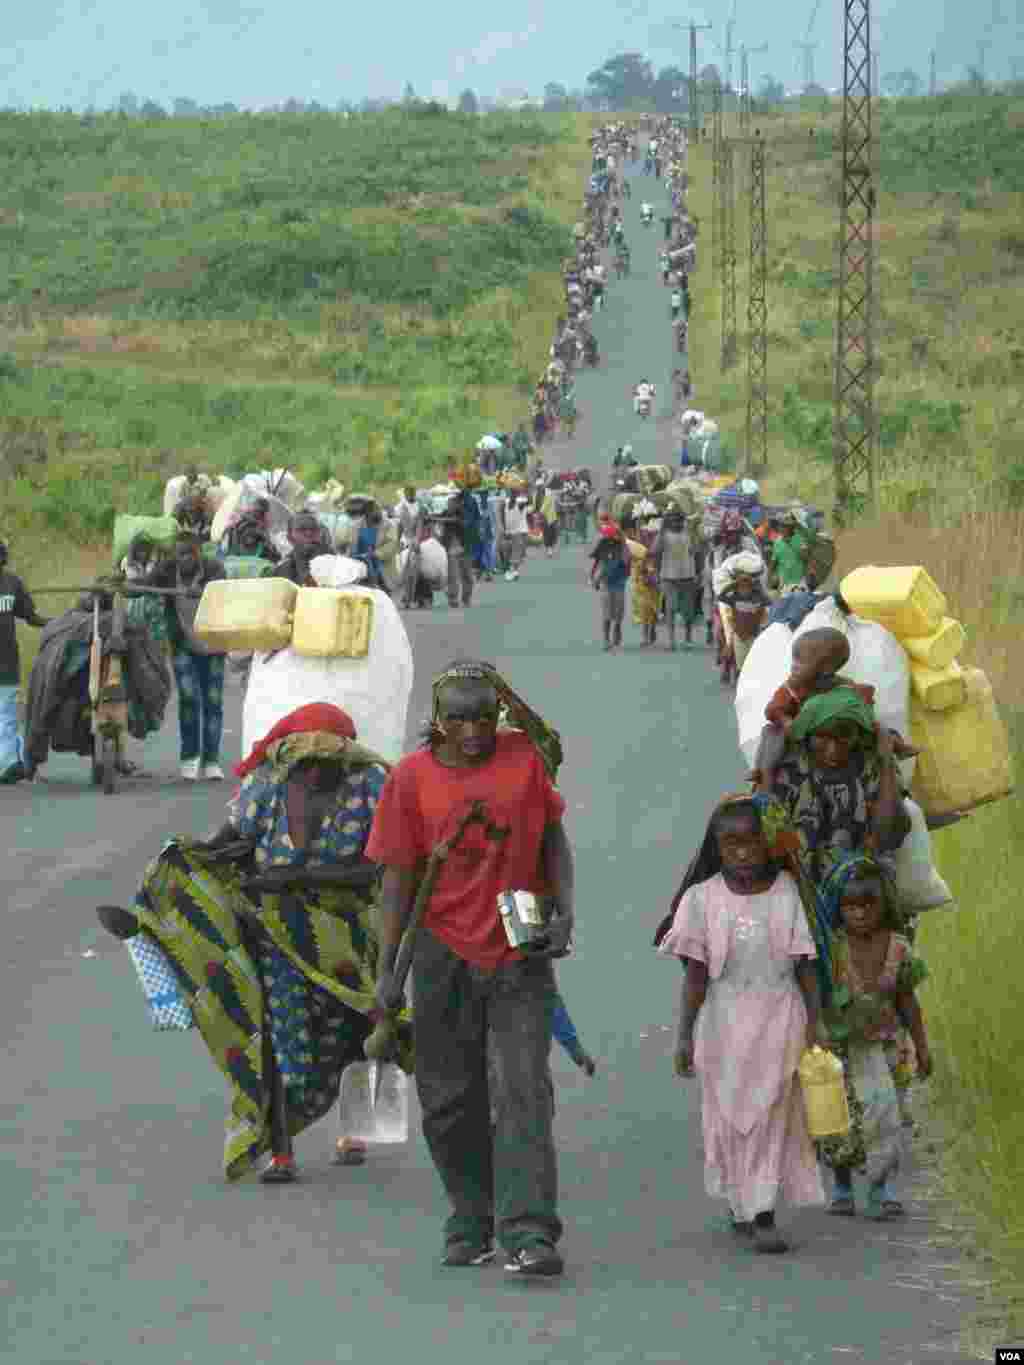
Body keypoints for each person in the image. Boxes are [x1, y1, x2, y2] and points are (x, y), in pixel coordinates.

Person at [95, 703, 403, 1182]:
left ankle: (354, 1126)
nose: (315, 770)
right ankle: (280, 1150)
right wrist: (189, 860)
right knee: (278, 1038)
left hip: (347, 928)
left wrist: (299, 875)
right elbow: (234, 839)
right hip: (276, 930)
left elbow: (380, 866)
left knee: (352, 1031)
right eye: (305, 762)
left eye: (327, 762)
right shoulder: (268, 782)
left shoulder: (371, 787)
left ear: (347, 757)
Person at [367, 660, 574, 1276]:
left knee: (522, 1091)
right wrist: (387, 972)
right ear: (438, 721)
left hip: (519, 948)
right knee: (450, 1097)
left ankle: (530, 1230)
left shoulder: (524, 764)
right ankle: (470, 1215)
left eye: (484, 715)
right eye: (459, 717)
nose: (474, 729)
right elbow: (398, 876)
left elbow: (552, 843)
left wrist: (565, 913)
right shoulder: (410, 779)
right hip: (441, 951)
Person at [656, 794, 828, 1253]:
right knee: (731, 1117)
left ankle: (764, 1210)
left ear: (767, 844)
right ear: (716, 848)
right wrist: (684, 1035)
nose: (742, 854)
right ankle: (741, 1199)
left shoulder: (786, 893)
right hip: (724, 1024)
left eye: (751, 843)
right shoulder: (701, 899)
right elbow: (695, 974)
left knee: (771, 1112)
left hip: (780, 1017)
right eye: (730, 845)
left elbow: (805, 961)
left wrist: (816, 1021)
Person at [817, 856, 932, 1219]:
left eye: (869, 904)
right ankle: (842, 1187)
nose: (860, 913)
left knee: (886, 1115)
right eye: (851, 906)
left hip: (887, 1049)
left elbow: (907, 1001)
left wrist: (922, 1046)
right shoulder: (831, 950)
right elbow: (816, 996)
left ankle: (882, 1188)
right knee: (841, 1118)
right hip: (843, 1048)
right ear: (839, 906)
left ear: (885, 904)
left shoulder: (898, 948)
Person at [763, 688, 911, 887]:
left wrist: (886, 760)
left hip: (863, 889)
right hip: (803, 888)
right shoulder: (791, 770)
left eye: (844, 736)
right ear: (807, 735)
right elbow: (766, 838)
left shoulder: (871, 765)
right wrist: (767, 771)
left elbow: (889, 835)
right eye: (822, 737)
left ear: (858, 735)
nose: (833, 749)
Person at [754, 628, 919, 792]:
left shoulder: (842, 684)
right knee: (771, 736)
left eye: (801, 662)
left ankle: (898, 746)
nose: (794, 667)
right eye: (794, 660)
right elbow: (772, 710)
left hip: (834, 727)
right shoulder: (792, 688)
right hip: (799, 728)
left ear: (827, 667)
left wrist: (862, 708)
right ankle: (762, 772)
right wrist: (785, 721)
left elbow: (860, 700)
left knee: (878, 728)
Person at [134, 530, 228, 781]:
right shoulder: (167, 570)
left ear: (198, 553)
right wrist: (121, 585)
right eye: (180, 554)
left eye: (189, 554)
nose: (184, 559)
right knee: (189, 699)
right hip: (183, 644)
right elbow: (144, 585)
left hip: (214, 645)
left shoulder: (214, 569)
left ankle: (211, 761)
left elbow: (222, 593)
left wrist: (204, 592)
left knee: (213, 703)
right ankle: (189, 759)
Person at [0, 539, 49, 784]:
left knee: (6, 714)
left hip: (6, 661)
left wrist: (52, 623)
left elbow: (29, 616)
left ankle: (9, 765)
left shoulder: (12, 583)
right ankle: (17, 759)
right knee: (4, 715)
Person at [650, 505, 701, 651]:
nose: (676, 523)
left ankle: (688, 638)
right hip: (669, 577)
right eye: (672, 521)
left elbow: (697, 553)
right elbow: (654, 550)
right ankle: (671, 640)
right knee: (670, 609)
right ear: (668, 522)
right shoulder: (663, 535)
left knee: (688, 611)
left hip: (687, 577)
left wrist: (697, 573)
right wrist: (661, 529)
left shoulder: (689, 534)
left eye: (679, 520)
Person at [717, 570, 771, 677]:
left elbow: (768, 601)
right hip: (739, 635)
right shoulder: (734, 597)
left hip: (753, 635)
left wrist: (758, 589)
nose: (744, 588)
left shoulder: (757, 597)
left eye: (747, 585)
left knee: (751, 664)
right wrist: (731, 586)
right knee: (740, 667)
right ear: (738, 586)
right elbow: (721, 597)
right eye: (742, 585)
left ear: (751, 587)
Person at [590, 523, 630, 652]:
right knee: (606, 615)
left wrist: (623, 540)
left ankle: (617, 627)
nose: (607, 538)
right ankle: (606, 639)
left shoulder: (623, 547)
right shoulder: (603, 545)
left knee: (618, 613)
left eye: (610, 536)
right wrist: (595, 579)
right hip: (606, 584)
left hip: (619, 584)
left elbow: (626, 560)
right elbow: (599, 563)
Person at [266, 511, 331, 586]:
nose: (309, 533)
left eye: (314, 529)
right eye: (301, 529)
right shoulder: (281, 569)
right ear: (289, 538)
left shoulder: (335, 565)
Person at [629, 509, 661, 648]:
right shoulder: (640, 533)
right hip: (641, 571)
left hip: (653, 570)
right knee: (644, 605)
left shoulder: (658, 532)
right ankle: (645, 635)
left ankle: (651, 630)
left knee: (653, 605)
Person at [770, 513, 812, 592]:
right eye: (781, 526)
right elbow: (774, 561)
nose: (782, 528)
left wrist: (793, 545)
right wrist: (771, 577)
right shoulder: (777, 542)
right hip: (783, 583)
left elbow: (806, 558)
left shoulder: (801, 539)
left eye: (785, 526)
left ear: (791, 528)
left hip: (799, 582)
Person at [503, 493, 530, 582]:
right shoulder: (505, 503)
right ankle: (512, 570)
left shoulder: (522, 504)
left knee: (516, 553)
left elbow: (526, 504)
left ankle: (513, 571)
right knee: (509, 552)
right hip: (510, 532)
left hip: (519, 531)